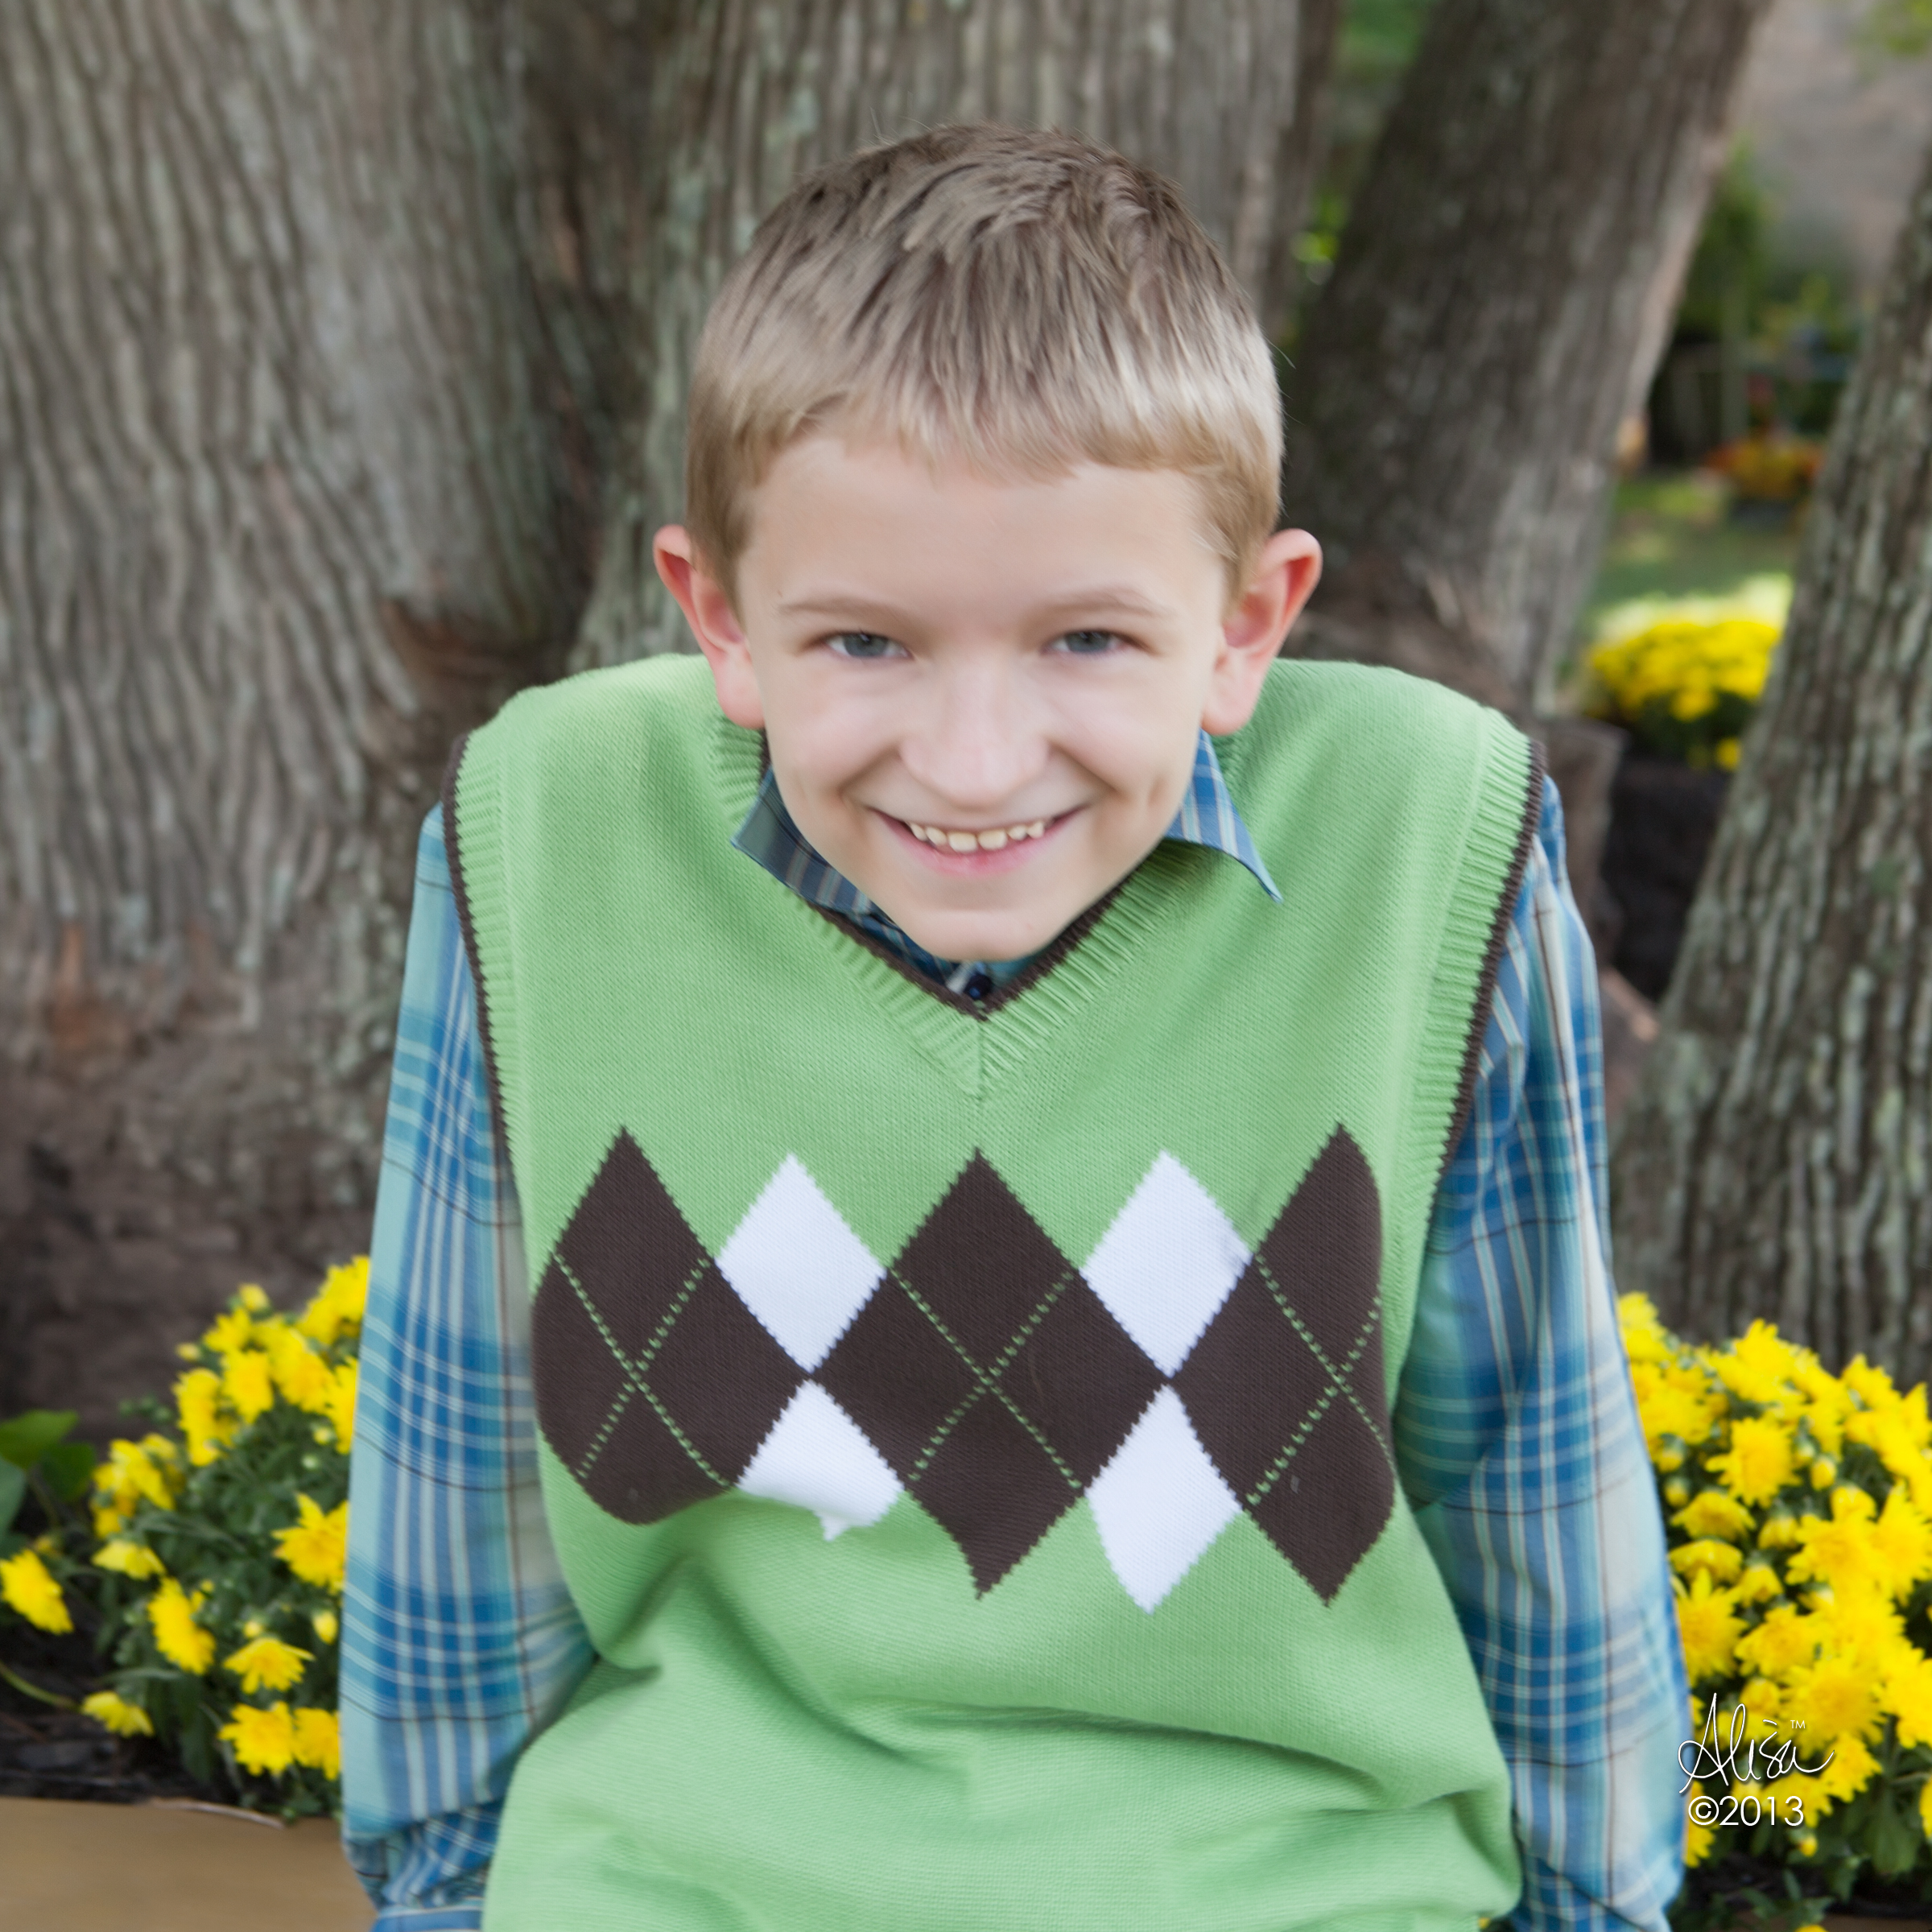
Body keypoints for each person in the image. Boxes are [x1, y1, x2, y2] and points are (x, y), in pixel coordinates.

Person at [341, 124, 1686, 1932]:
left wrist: (1596, 1905)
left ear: (1247, 623)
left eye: (1086, 643)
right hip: (688, 1889)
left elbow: (1532, 1467)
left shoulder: (1423, 845)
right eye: (866, 647)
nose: (975, 763)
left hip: (1299, 1896)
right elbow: (464, 1470)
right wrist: (448, 1896)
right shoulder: (545, 838)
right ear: (719, 619)